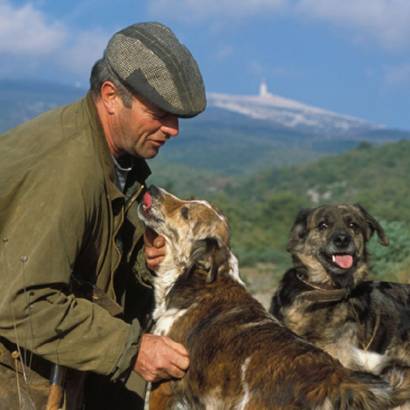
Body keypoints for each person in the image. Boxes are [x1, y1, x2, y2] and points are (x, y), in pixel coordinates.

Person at [0, 22, 206, 409]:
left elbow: (92, 275)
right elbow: (24, 302)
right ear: (111, 96)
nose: (173, 130)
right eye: (160, 113)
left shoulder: (119, 165)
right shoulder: (66, 169)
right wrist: (131, 350)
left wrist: (144, 265)